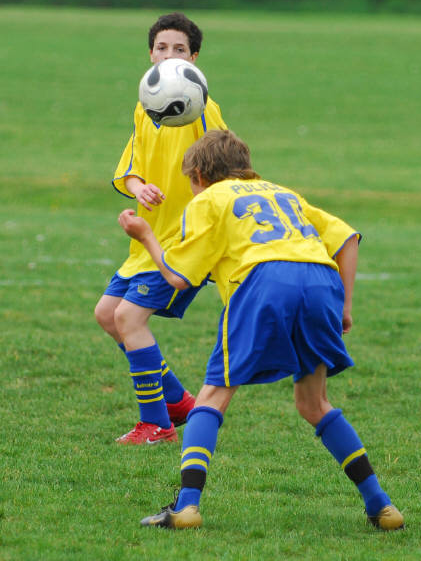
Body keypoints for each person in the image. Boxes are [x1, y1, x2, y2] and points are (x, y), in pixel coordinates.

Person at [118, 129, 405, 531]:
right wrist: (344, 307)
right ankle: (381, 505)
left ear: (199, 175)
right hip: (321, 283)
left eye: (191, 182)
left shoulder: (209, 199)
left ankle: (187, 507)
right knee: (314, 404)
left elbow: (179, 277)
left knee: (212, 398)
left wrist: (146, 236)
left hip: (264, 281)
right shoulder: (285, 194)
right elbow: (347, 239)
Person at [94, 12, 227, 445]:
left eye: (180, 49)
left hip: (184, 241)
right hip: (147, 238)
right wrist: (141, 188)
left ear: (194, 59)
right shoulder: (146, 104)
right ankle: (179, 403)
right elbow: (131, 167)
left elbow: (227, 168)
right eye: (162, 47)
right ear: (151, 54)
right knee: (108, 315)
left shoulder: (201, 108)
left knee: (129, 317)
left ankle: (157, 424)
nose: (169, 55)